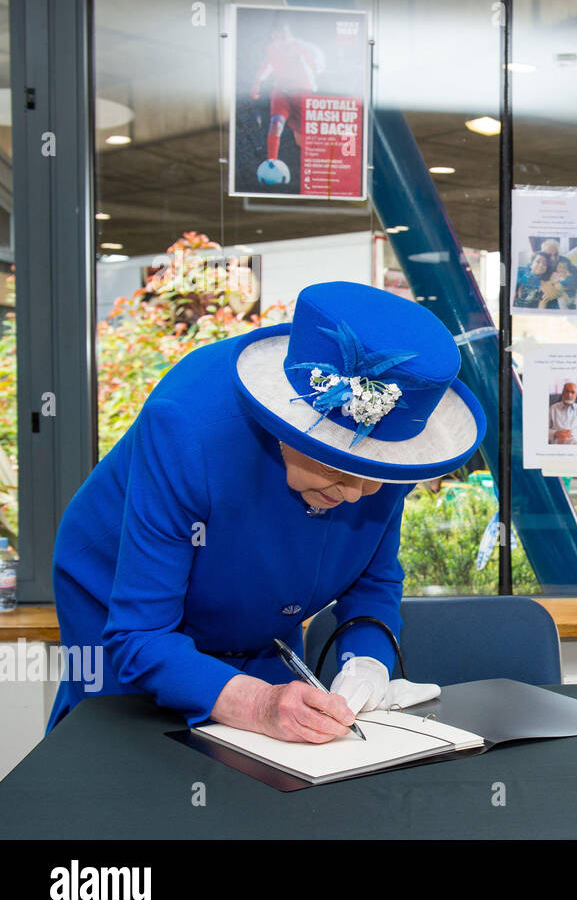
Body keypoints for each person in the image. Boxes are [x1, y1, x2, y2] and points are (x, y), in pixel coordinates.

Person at [47, 281, 486, 741]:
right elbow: (140, 635)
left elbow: (373, 578)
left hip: (261, 616)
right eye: (342, 465)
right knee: (132, 769)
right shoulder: (185, 429)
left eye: (373, 474)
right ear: (288, 423)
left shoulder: (394, 444)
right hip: (121, 607)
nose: (358, 494)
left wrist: (367, 662)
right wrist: (257, 703)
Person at [249, 14, 325, 181]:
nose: (281, 37)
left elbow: (316, 66)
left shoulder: (301, 48)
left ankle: (312, 168)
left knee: (301, 139)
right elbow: (266, 66)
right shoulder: (271, 49)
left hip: (301, 94)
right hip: (281, 93)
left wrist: (316, 69)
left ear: (289, 33)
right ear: (273, 35)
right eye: (277, 34)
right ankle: (272, 163)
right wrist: (257, 83)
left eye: (284, 33)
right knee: (276, 123)